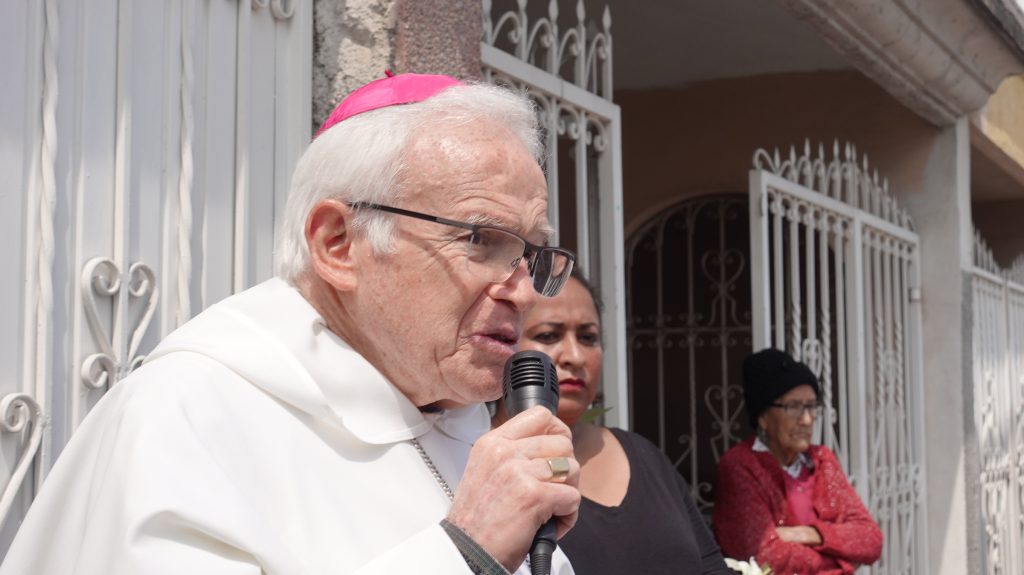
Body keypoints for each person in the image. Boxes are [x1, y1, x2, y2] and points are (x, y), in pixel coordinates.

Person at [0, 74, 583, 575]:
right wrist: (466, 551)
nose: (524, 292)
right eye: (480, 240)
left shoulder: (470, 436)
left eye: (532, 254)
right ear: (337, 243)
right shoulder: (187, 418)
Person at [492, 270, 731, 574]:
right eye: (549, 335)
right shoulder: (477, 466)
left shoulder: (644, 456)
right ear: (503, 343)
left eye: (588, 337)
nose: (575, 356)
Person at [712, 348, 883, 574]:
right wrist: (844, 563)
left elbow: (871, 539)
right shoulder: (739, 465)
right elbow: (765, 557)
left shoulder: (822, 459)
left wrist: (808, 533)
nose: (807, 419)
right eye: (793, 407)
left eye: (811, 406)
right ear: (763, 418)